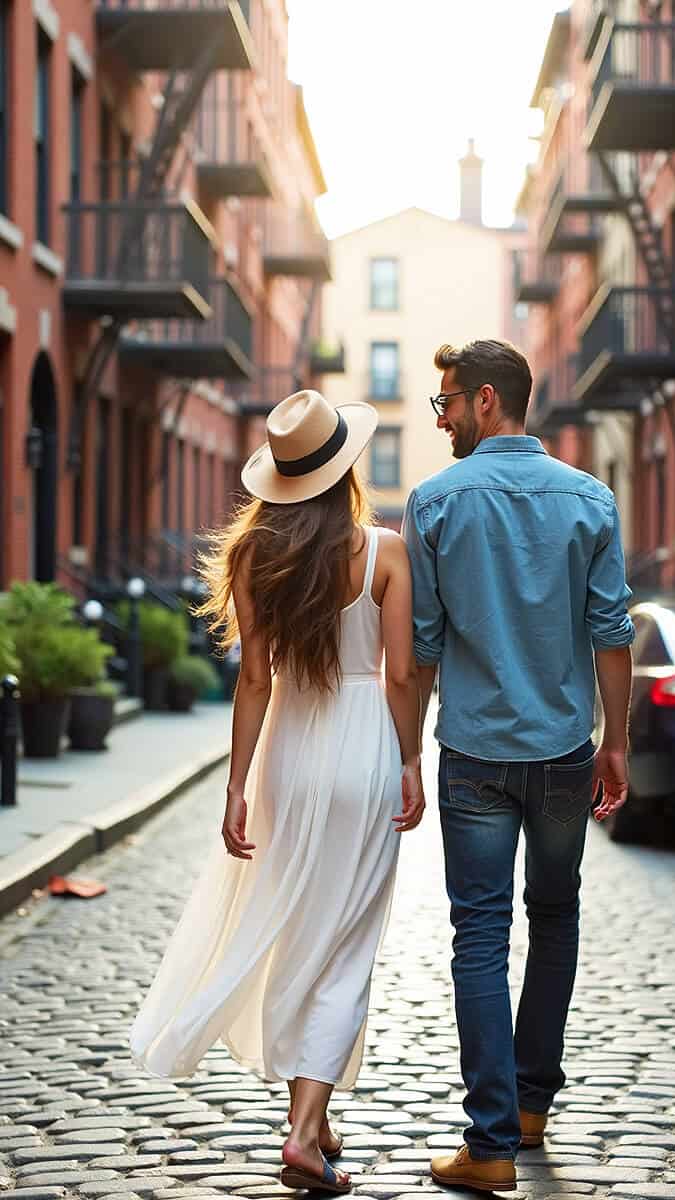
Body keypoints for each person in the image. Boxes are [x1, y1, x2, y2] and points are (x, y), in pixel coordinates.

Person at [130, 389, 425, 1196]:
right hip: (365, 748)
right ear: (346, 470)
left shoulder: (253, 556)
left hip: (289, 754)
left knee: (300, 933)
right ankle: (303, 1132)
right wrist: (410, 760)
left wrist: (235, 784)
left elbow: (254, 680)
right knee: (345, 948)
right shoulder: (385, 552)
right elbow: (401, 674)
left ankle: (316, 1120)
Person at [403, 340, 634, 1193]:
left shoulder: (432, 503)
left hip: (472, 755)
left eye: (448, 403)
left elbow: (421, 648)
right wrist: (615, 745)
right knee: (557, 917)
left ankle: (492, 1140)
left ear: (489, 400)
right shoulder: (590, 499)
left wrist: (403, 754)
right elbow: (613, 634)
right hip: (565, 752)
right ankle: (531, 1106)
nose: (442, 418)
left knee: (479, 936)